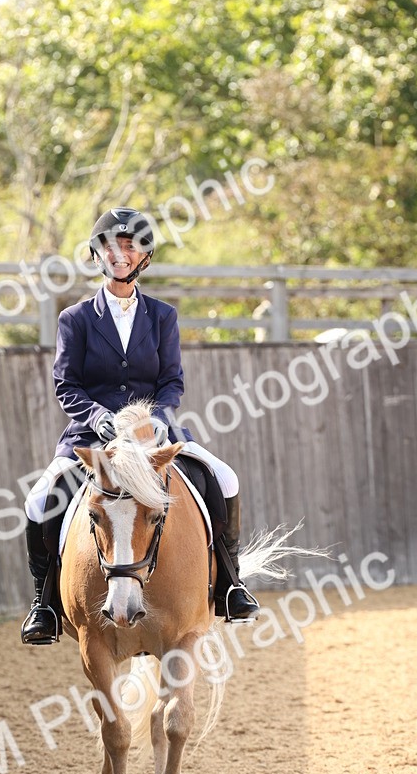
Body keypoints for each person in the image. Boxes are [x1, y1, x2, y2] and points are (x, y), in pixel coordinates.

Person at [20, 206, 260, 645]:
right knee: (39, 501)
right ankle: (44, 604)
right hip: (94, 436)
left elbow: (171, 381)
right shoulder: (74, 319)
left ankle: (230, 585)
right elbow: (65, 383)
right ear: (98, 255)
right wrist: (100, 418)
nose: (120, 254)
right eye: (111, 246)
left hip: (155, 434)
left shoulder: (163, 316)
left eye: (129, 247)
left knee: (224, 478)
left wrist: (159, 421)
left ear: (143, 257)